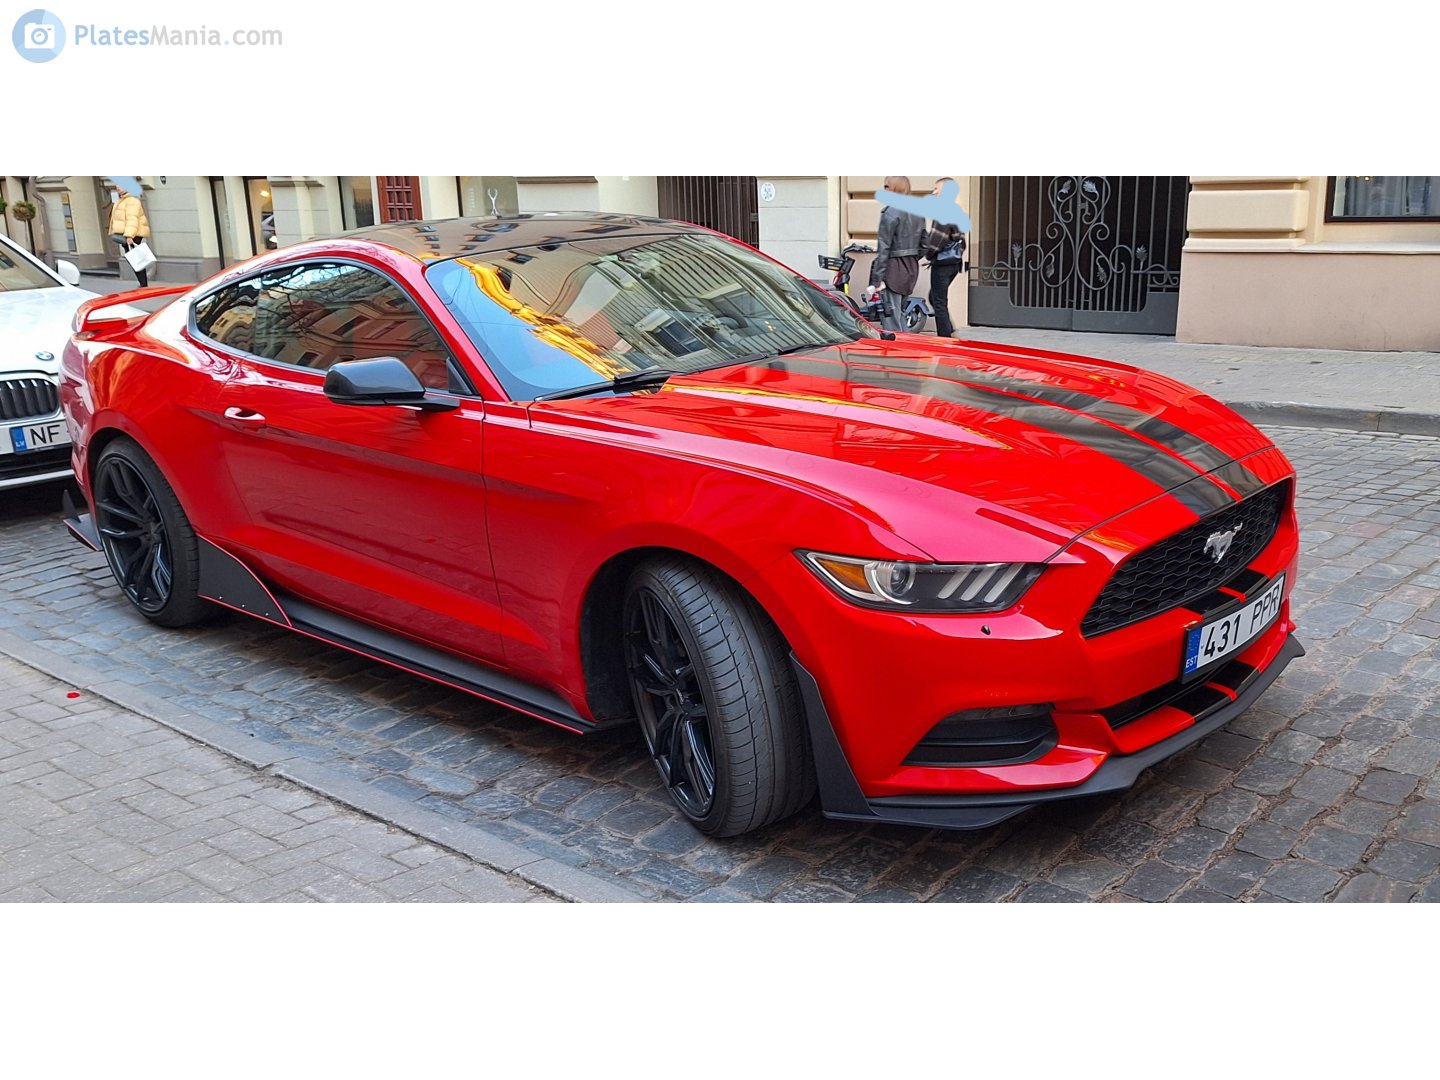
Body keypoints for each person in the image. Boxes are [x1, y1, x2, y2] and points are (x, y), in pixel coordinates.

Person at [865, 176, 925, 332]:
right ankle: (905, 350)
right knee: (899, 315)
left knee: (892, 318)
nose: (884, 190)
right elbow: (925, 244)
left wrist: (876, 280)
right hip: (911, 268)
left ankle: (897, 352)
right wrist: (911, 258)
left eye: (887, 186)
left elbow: (883, 249)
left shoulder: (890, 212)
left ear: (895, 188)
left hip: (893, 269)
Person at [925, 177, 967, 340]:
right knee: (935, 297)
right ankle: (950, 330)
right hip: (954, 264)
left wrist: (928, 254)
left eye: (936, 189)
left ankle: (945, 337)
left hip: (942, 264)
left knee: (939, 301)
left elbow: (936, 240)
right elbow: (961, 240)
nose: (933, 192)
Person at [107, 181, 152, 287]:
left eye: (121, 184)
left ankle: (143, 284)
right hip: (128, 234)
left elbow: (132, 219)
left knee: (136, 258)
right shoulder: (122, 200)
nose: (118, 187)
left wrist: (129, 236)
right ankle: (142, 283)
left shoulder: (132, 201)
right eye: (117, 184)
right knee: (133, 258)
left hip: (132, 234)